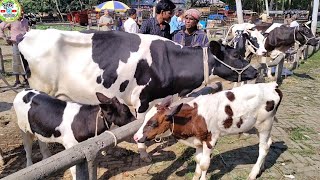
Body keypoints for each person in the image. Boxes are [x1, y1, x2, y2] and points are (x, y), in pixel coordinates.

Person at [0, 13, 29, 87]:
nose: (21, 13)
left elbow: (27, 30)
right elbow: (1, 27)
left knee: (25, 62)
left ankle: (26, 79)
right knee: (17, 61)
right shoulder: (11, 20)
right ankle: (17, 80)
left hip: (25, 44)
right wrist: (5, 38)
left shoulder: (25, 20)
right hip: (15, 44)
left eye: (22, 12)